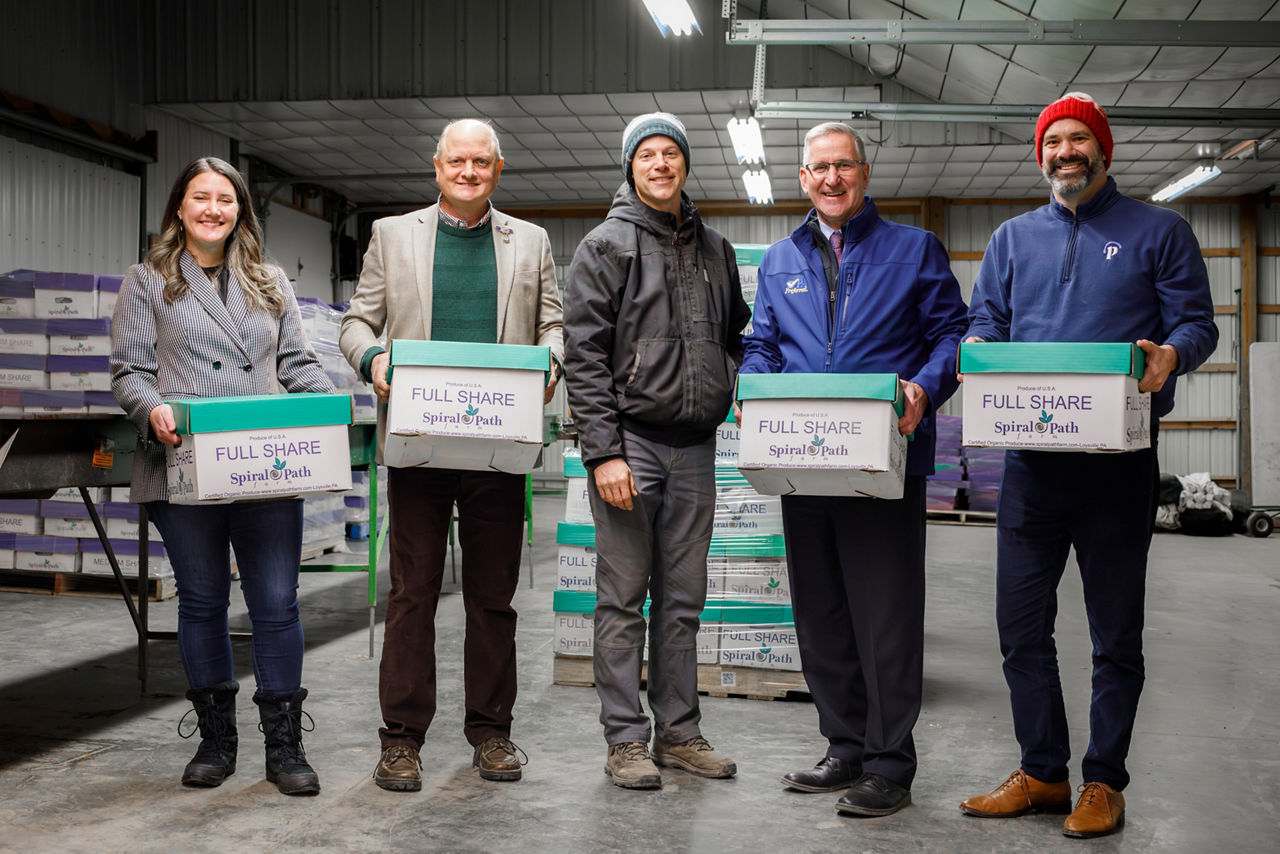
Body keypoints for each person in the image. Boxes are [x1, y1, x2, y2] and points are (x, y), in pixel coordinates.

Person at [958, 92, 1218, 838]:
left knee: (1115, 636)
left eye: (1078, 140)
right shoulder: (1011, 239)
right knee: (1019, 628)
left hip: (1117, 466)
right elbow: (986, 324)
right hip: (1032, 467)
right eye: (1053, 142)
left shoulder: (1159, 231)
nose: (1064, 152)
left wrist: (1172, 354)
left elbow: (1196, 324)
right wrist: (975, 351)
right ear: (1039, 154)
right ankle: (1043, 773)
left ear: (1102, 151)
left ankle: (1103, 781)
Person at [739, 122, 968, 817]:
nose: (832, 179)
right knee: (822, 612)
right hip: (802, 465)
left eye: (844, 166)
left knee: (887, 614)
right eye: (819, 169)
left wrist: (924, 390)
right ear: (803, 180)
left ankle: (890, 764)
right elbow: (761, 346)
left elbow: (951, 334)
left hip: (881, 463)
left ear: (864, 175)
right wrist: (751, 390)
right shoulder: (781, 259)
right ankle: (843, 746)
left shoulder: (913, 249)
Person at [339, 118, 564, 791]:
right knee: (413, 594)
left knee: (493, 598)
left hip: (498, 443)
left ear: (499, 169)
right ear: (437, 167)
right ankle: (402, 739)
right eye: (456, 161)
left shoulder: (531, 242)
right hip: (418, 443)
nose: (468, 172)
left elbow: (551, 321)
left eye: (481, 163)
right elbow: (356, 321)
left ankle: (492, 733)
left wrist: (554, 355)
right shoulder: (392, 235)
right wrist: (373, 357)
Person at [110, 156, 336, 795]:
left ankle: (284, 744)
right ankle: (216, 739)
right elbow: (129, 370)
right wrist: (152, 407)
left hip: (262, 464)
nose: (213, 209)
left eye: (226, 199)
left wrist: (324, 412)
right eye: (200, 198)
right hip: (183, 464)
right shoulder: (148, 280)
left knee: (275, 601)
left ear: (241, 210)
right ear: (179, 208)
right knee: (204, 600)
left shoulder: (269, 282)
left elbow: (298, 364)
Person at [563, 112, 750, 790]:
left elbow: (736, 336)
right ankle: (624, 740)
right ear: (630, 167)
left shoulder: (716, 250)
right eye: (648, 154)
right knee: (622, 599)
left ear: (685, 165)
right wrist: (603, 453)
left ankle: (679, 733)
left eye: (672, 153)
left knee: (682, 603)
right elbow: (582, 355)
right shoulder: (605, 246)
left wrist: (725, 386)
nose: (661, 164)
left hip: (695, 448)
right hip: (631, 448)